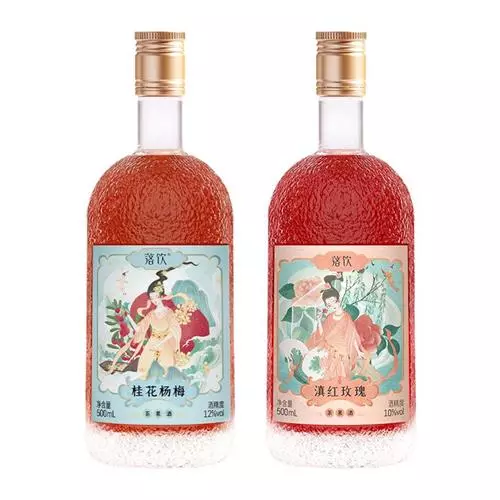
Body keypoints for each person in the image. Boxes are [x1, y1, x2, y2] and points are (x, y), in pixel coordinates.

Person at [308, 277, 366, 380]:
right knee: (329, 375)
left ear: (338, 300)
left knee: (341, 375)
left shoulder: (346, 317)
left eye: (333, 301)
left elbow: (352, 336)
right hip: (329, 348)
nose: (332, 305)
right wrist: (319, 321)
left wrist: (358, 351)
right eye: (328, 304)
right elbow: (322, 335)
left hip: (342, 350)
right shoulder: (329, 317)